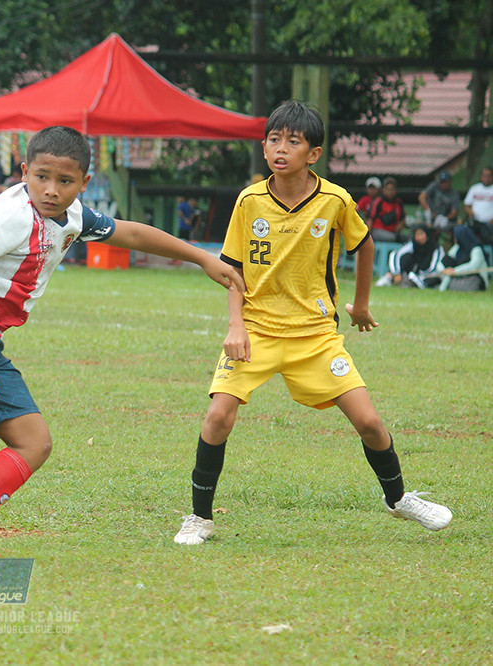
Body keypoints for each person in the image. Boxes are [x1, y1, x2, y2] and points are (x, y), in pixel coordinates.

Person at [0, 125, 245, 569]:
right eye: (42, 177)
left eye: (65, 182)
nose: (51, 190)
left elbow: (131, 234)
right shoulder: (11, 216)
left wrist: (205, 257)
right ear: (25, 171)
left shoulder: (71, 216)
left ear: (83, 184)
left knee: (34, 442)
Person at [172, 100, 452, 548]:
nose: (281, 149)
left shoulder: (335, 200)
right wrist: (235, 326)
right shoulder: (249, 200)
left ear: (313, 153)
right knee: (217, 416)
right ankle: (199, 517)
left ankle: (399, 499)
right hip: (257, 331)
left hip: (316, 337)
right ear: (264, 147)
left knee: (371, 423)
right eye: (274, 140)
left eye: (293, 141)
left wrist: (360, 306)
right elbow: (232, 270)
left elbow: (365, 245)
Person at [374, 227, 445, 288]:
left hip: (429, 276)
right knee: (406, 257)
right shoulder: (413, 244)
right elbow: (395, 254)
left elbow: (434, 268)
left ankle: (410, 282)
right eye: (417, 235)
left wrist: (418, 277)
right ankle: (390, 277)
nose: (420, 237)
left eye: (422, 234)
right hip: (414, 274)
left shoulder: (437, 248)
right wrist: (396, 273)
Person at [437, 224, 489, 292]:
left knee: (467, 283)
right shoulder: (458, 248)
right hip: (460, 277)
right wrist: (444, 271)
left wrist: (454, 271)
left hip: (474, 279)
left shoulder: (476, 249)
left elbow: (472, 267)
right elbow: (443, 262)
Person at [368, 177, 405, 242]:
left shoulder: (398, 202)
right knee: (393, 238)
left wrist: (400, 225)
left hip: (393, 232)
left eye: (392, 189)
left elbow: (402, 219)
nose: (390, 192)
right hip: (378, 231)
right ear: (383, 190)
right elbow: (370, 219)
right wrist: (368, 236)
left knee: (408, 238)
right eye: (388, 189)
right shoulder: (378, 201)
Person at [463, 166, 493, 243]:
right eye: (484, 176)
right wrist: (470, 212)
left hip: (490, 224)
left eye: (489, 176)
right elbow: (467, 205)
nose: (486, 178)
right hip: (475, 222)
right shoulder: (475, 188)